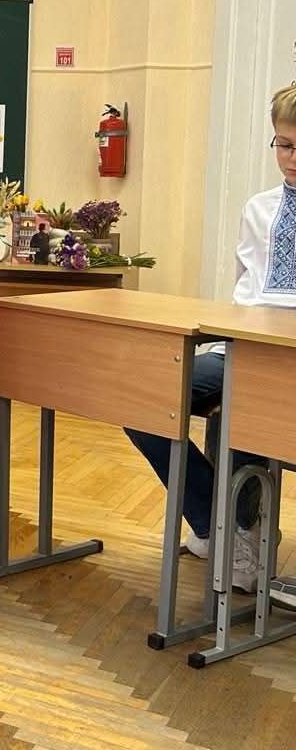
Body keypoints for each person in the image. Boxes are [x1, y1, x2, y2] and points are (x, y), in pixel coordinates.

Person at [129, 84, 296, 598]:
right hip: (243, 348)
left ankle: (241, 533)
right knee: (144, 399)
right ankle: (218, 525)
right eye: (284, 145)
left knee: (245, 410)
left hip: (286, 363)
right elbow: (244, 293)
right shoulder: (259, 209)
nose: (291, 158)